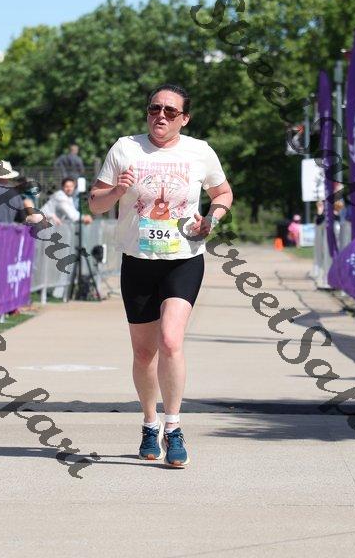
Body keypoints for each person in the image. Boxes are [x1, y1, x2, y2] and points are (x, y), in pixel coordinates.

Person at [89, 83, 233, 468]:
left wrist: (213, 218)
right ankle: (149, 423)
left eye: (171, 111)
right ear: (148, 112)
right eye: (155, 109)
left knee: (170, 340)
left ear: (184, 119)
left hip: (183, 258)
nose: (161, 116)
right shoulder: (125, 148)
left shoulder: (199, 151)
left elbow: (222, 193)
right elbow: (95, 203)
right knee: (143, 352)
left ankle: (174, 427)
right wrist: (116, 191)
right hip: (137, 261)